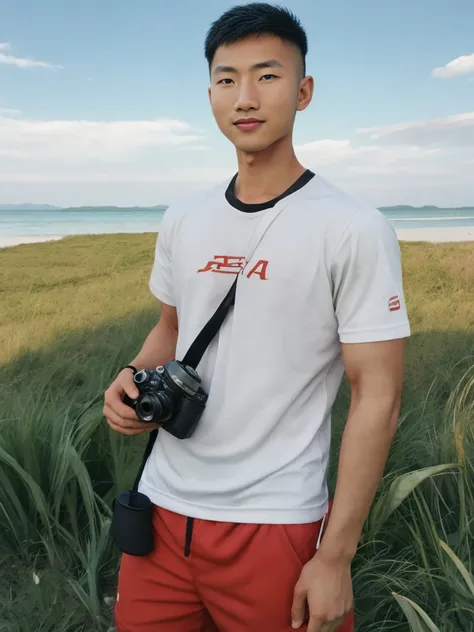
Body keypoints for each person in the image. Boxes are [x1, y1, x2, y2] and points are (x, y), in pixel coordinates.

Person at [103, 3, 411, 631]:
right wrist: (131, 376)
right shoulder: (184, 217)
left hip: (276, 524)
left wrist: (335, 556)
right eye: (226, 78)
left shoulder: (352, 227)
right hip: (161, 513)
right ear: (210, 92)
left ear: (303, 92)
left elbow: (377, 394)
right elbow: (171, 327)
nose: (244, 97)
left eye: (267, 76)